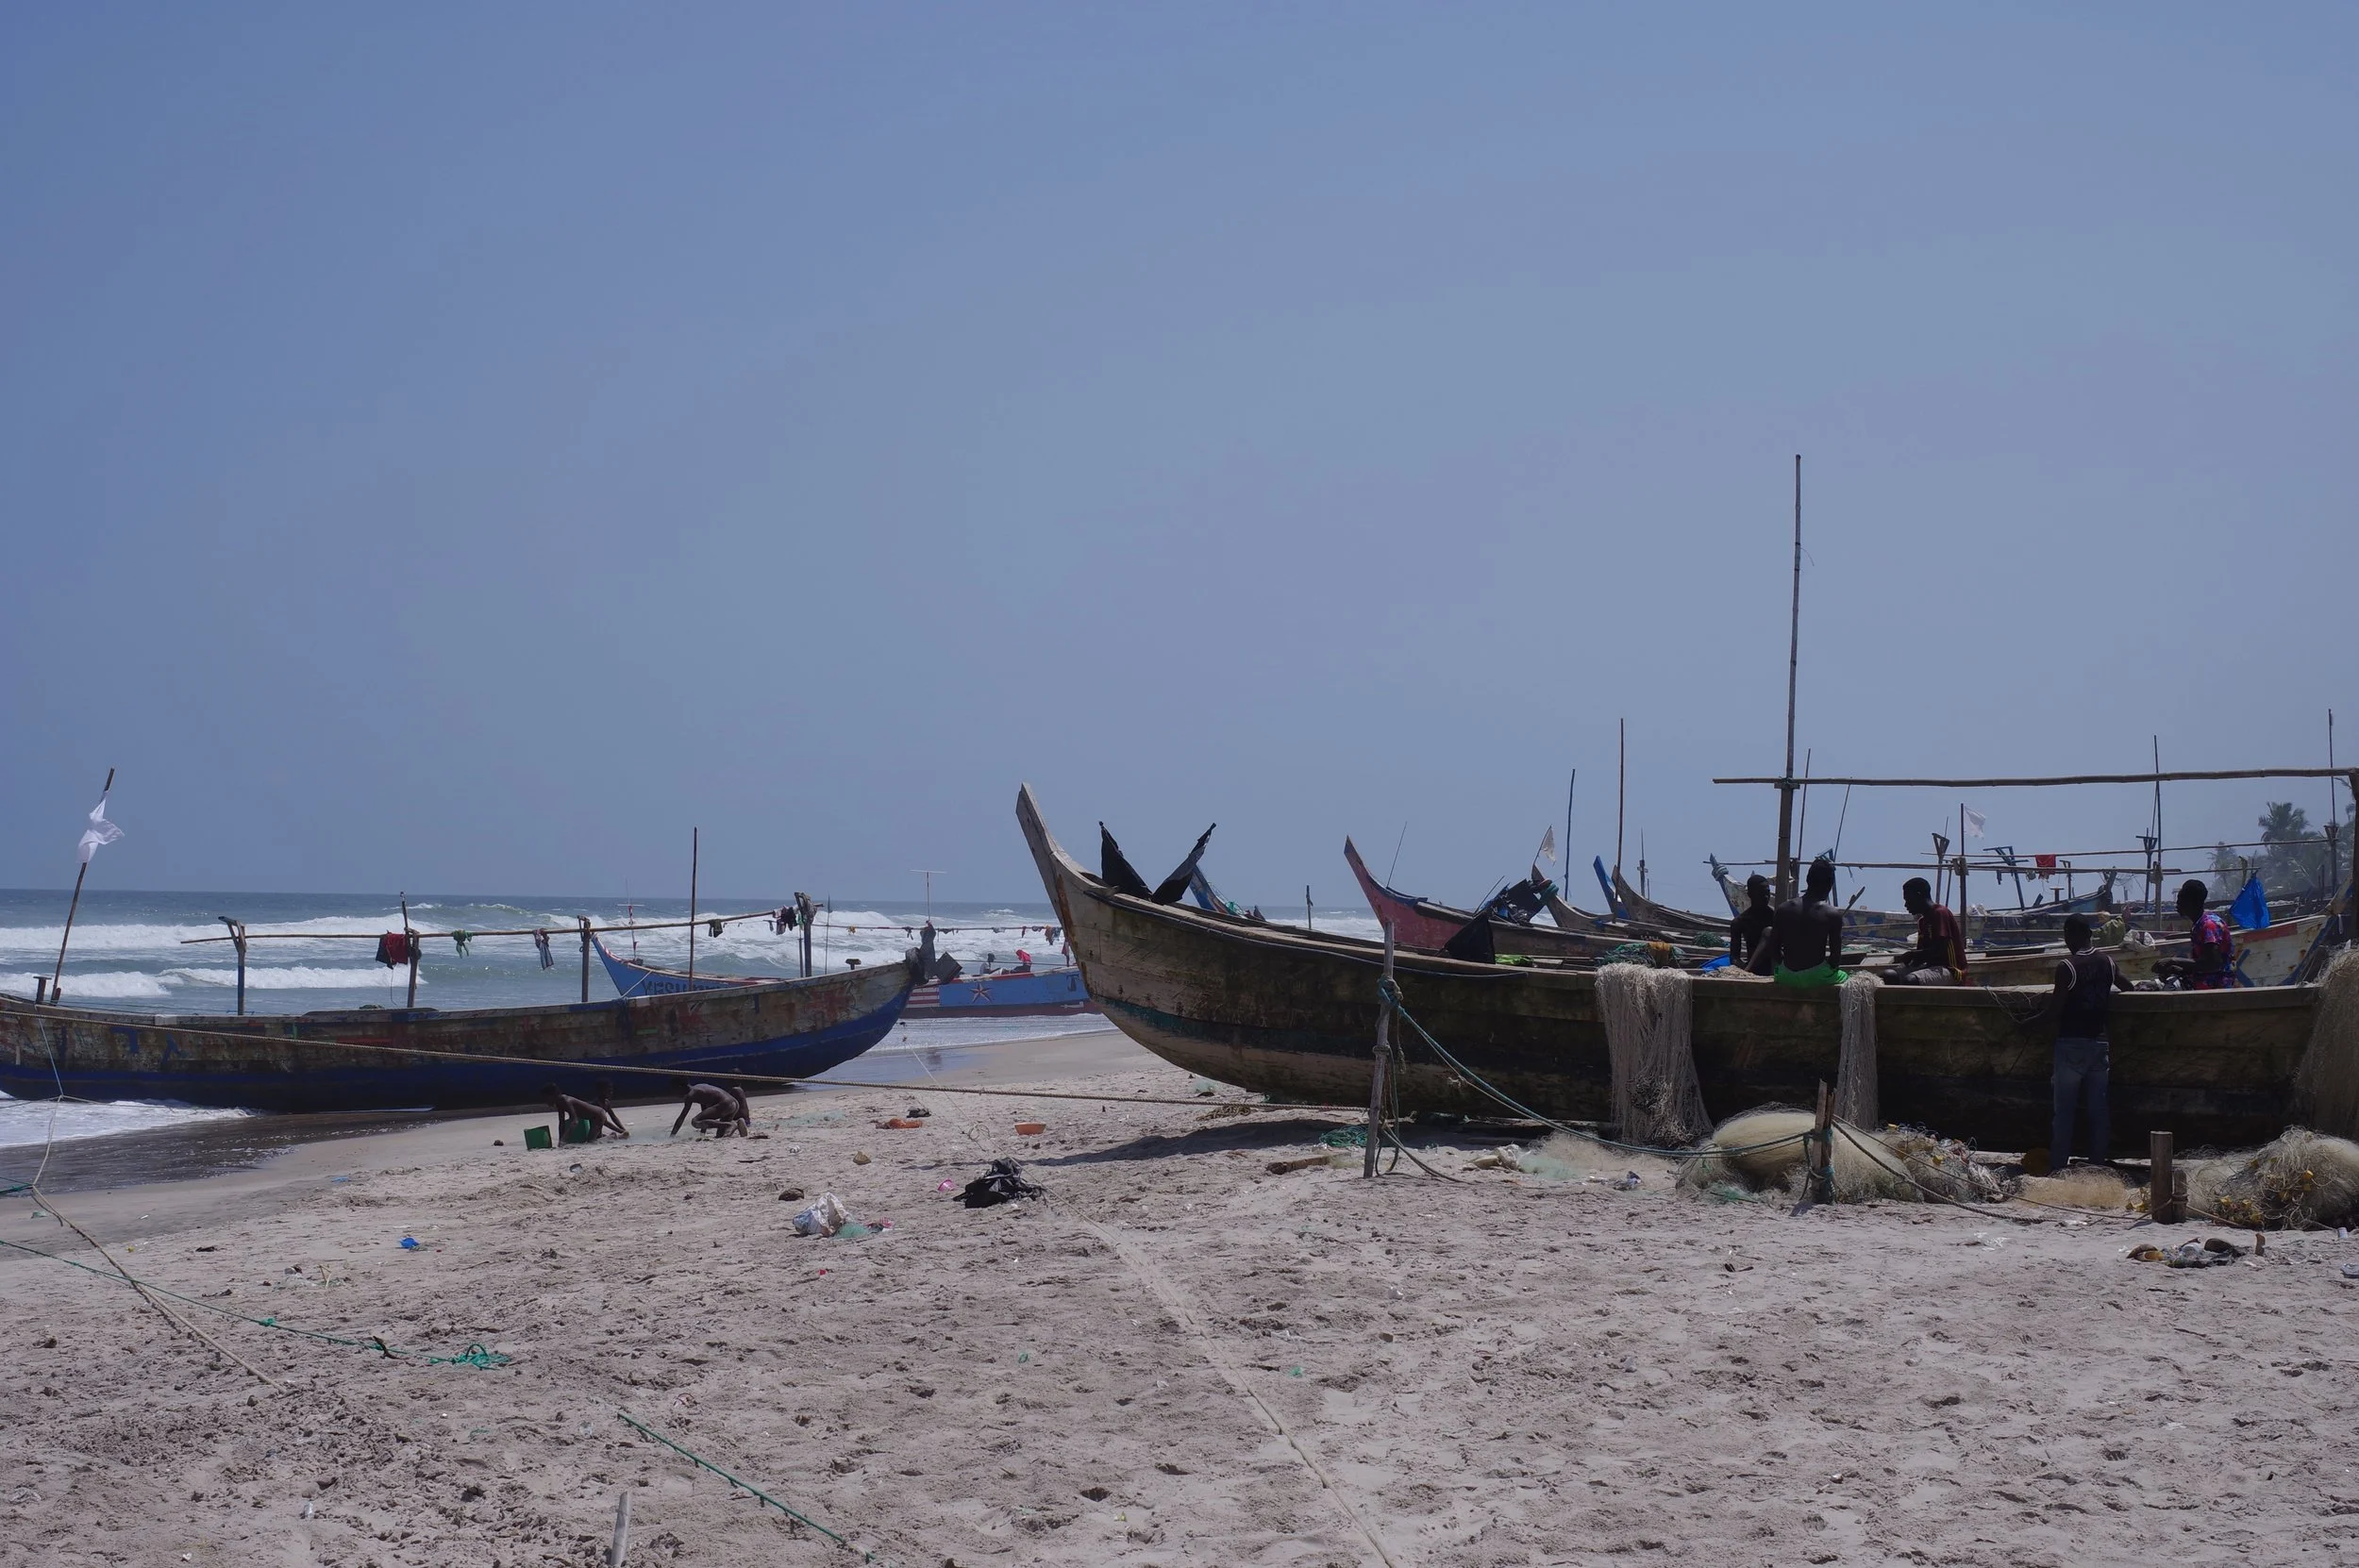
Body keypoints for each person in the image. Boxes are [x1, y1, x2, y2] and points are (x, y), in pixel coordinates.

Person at [2044, 913, 2131, 1167]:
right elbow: (2128, 987)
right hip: (2100, 1044)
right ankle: (2097, 1164)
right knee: (2098, 1112)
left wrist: (2026, 1025)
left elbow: (2054, 1012)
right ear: (2090, 934)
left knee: (2064, 1113)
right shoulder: (2108, 962)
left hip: (2071, 1044)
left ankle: (2058, 1166)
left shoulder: (2067, 967)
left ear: (2068, 935)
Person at [1748, 856, 1847, 986]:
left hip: (1786, 976)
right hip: (1816, 977)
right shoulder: (1832, 914)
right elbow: (1835, 959)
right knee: (1846, 976)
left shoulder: (1783, 909)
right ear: (1830, 884)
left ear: (1807, 880)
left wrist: (1785, 966)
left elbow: (1773, 947)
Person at [2155, 878, 2237, 989]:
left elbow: (2212, 964)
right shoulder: (2199, 924)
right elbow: (2201, 963)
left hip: (2215, 986)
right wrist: (2178, 969)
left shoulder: (2209, 925)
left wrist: (2173, 961)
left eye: (2181, 899)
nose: (2177, 903)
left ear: (2192, 902)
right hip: (2201, 980)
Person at [1885, 876, 1969, 985]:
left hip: (1950, 970)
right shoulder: (1922, 922)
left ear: (1918, 895)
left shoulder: (1940, 913)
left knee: (1910, 980)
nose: (1906, 905)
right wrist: (1908, 961)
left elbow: (1940, 949)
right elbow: (1922, 954)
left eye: (1908, 900)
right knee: (1888, 976)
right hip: (1929, 967)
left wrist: (1912, 955)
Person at [542, 1083, 627, 1140]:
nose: (546, 1101)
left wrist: (564, 1139)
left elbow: (575, 1121)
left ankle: (615, 1137)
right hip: (596, 1115)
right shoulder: (559, 1104)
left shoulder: (566, 1101)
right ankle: (621, 1134)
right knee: (595, 1138)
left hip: (598, 1115)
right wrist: (561, 1140)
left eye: (546, 1098)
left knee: (591, 1142)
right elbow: (562, 1123)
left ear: (553, 1095)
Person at [670, 1076, 750, 1138]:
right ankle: (738, 1123)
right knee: (719, 1136)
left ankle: (730, 1124)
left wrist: (672, 1136)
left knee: (695, 1122)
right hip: (734, 1103)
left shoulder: (690, 1095)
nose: (675, 1094)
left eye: (674, 1090)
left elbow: (682, 1117)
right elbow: (704, 1113)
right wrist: (702, 1134)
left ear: (680, 1087)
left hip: (726, 1104)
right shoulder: (699, 1087)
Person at [1727, 875, 1775, 969]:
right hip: (1753, 969)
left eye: (1767, 893)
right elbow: (1734, 957)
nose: (1766, 896)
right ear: (1750, 894)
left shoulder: (1776, 917)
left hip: (1775, 968)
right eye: (1761, 893)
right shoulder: (1740, 922)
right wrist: (1743, 968)